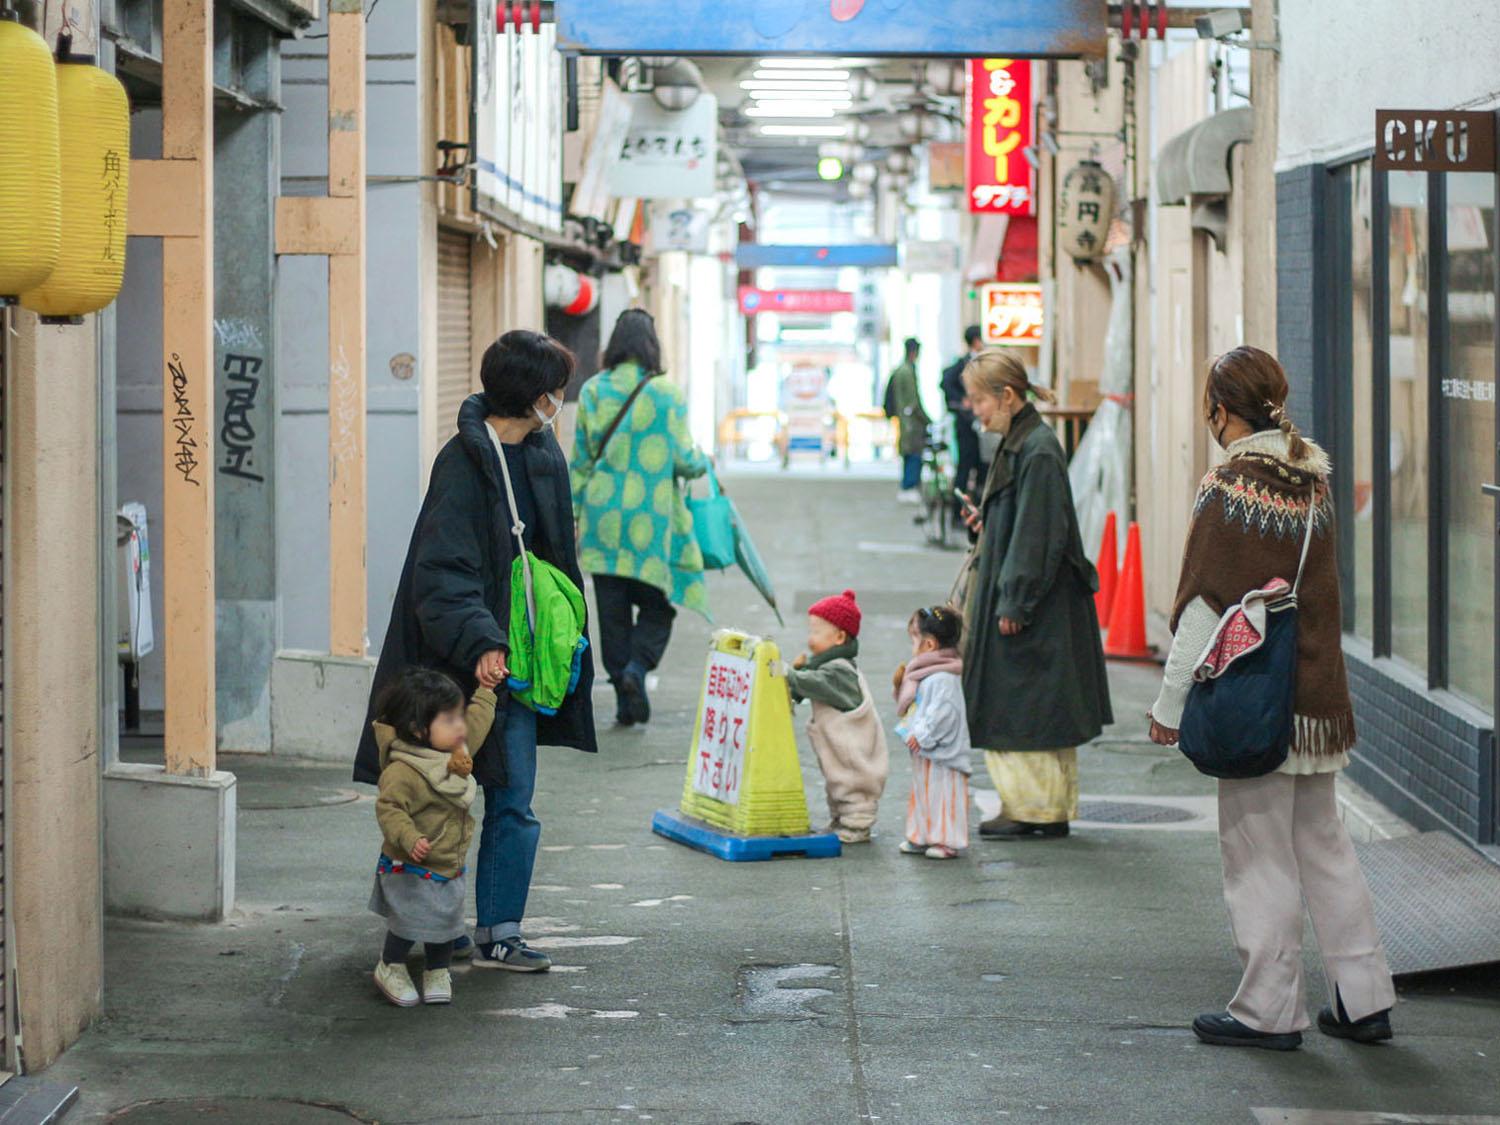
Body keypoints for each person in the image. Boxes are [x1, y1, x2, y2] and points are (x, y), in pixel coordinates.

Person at [1148, 345, 1395, 1052]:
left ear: (1221, 409)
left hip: (1257, 696)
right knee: (1326, 847)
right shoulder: (1311, 480)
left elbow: (1205, 605)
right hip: (1316, 699)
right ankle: (1365, 999)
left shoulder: (1230, 486)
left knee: (1257, 853)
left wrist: (1169, 705)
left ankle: (1268, 1009)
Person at [355, 330, 598, 975]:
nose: (559, 401)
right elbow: (442, 572)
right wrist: (483, 640)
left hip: (519, 667)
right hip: (453, 671)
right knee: (435, 800)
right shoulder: (463, 463)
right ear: (534, 395)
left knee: (514, 800)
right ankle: (429, 926)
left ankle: (499, 930)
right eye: (555, 390)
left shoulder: (543, 454)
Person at [960, 351, 1112, 839]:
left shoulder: (1035, 450)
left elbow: (1038, 534)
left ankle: (1030, 808)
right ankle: (1044, 807)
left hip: (1032, 605)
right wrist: (987, 521)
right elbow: (1027, 522)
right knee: (1036, 705)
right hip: (1035, 599)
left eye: (979, 400)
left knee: (1018, 703)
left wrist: (1016, 601)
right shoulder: (1026, 443)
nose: (974, 410)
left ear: (1006, 396)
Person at [571, 309, 710, 726]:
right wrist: (702, 461)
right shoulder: (666, 394)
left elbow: (580, 462)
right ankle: (637, 668)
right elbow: (685, 460)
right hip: (651, 524)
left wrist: (572, 516)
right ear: (652, 345)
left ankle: (624, 697)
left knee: (611, 614)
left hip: (602, 520)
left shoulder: (594, 390)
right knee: (658, 607)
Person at [369, 669, 496, 1007]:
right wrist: (409, 837)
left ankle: (437, 969)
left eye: (459, 716)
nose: (460, 726)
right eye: (450, 719)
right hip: (411, 862)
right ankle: (391, 965)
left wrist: (485, 692)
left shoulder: (455, 754)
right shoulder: (404, 770)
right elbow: (389, 808)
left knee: (447, 923)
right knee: (407, 921)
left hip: (447, 861)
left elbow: (477, 725)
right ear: (418, 729)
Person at [782, 590, 888, 844]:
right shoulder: (829, 666)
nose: (810, 639)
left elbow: (816, 683)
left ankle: (857, 825)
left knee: (854, 787)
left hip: (853, 751)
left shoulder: (839, 671)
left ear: (839, 637)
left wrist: (785, 672)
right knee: (838, 784)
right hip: (839, 750)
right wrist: (798, 675)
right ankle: (841, 820)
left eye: (816, 632)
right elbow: (810, 683)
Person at [892, 605, 972, 860]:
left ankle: (946, 840)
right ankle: (921, 836)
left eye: (914, 639)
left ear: (929, 644)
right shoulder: (930, 674)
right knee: (924, 794)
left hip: (943, 753)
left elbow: (942, 715)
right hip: (926, 750)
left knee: (943, 796)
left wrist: (922, 735)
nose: (912, 646)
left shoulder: (942, 678)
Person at [942, 325, 986, 519]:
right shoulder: (964, 363)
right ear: (976, 341)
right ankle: (958, 512)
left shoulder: (980, 362)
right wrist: (962, 400)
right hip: (966, 425)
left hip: (981, 426)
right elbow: (945, 382)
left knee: (981, 468)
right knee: (965, 468)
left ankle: (977, 510)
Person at [885, 337, 931, 504]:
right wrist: (926, 419)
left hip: (905, 421)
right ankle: (909, 486)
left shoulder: (900, 370)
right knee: (913, 454)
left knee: (908, 454)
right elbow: (913, 401)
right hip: (911, 422)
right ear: (914, 352)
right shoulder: (907, 371)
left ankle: (906, 486)